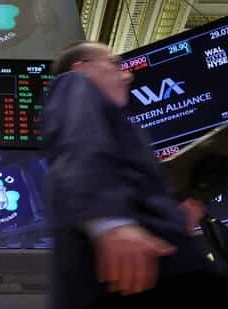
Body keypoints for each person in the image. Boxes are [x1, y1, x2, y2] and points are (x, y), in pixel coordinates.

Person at [42, 41, 227, 309]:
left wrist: (176, 216)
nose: (127, 75)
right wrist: (111, 224)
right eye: (114, 64)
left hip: (151, 265)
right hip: (121, 274)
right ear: (82, 68)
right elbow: (78, 147)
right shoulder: (74, 83)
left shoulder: (121, 126)